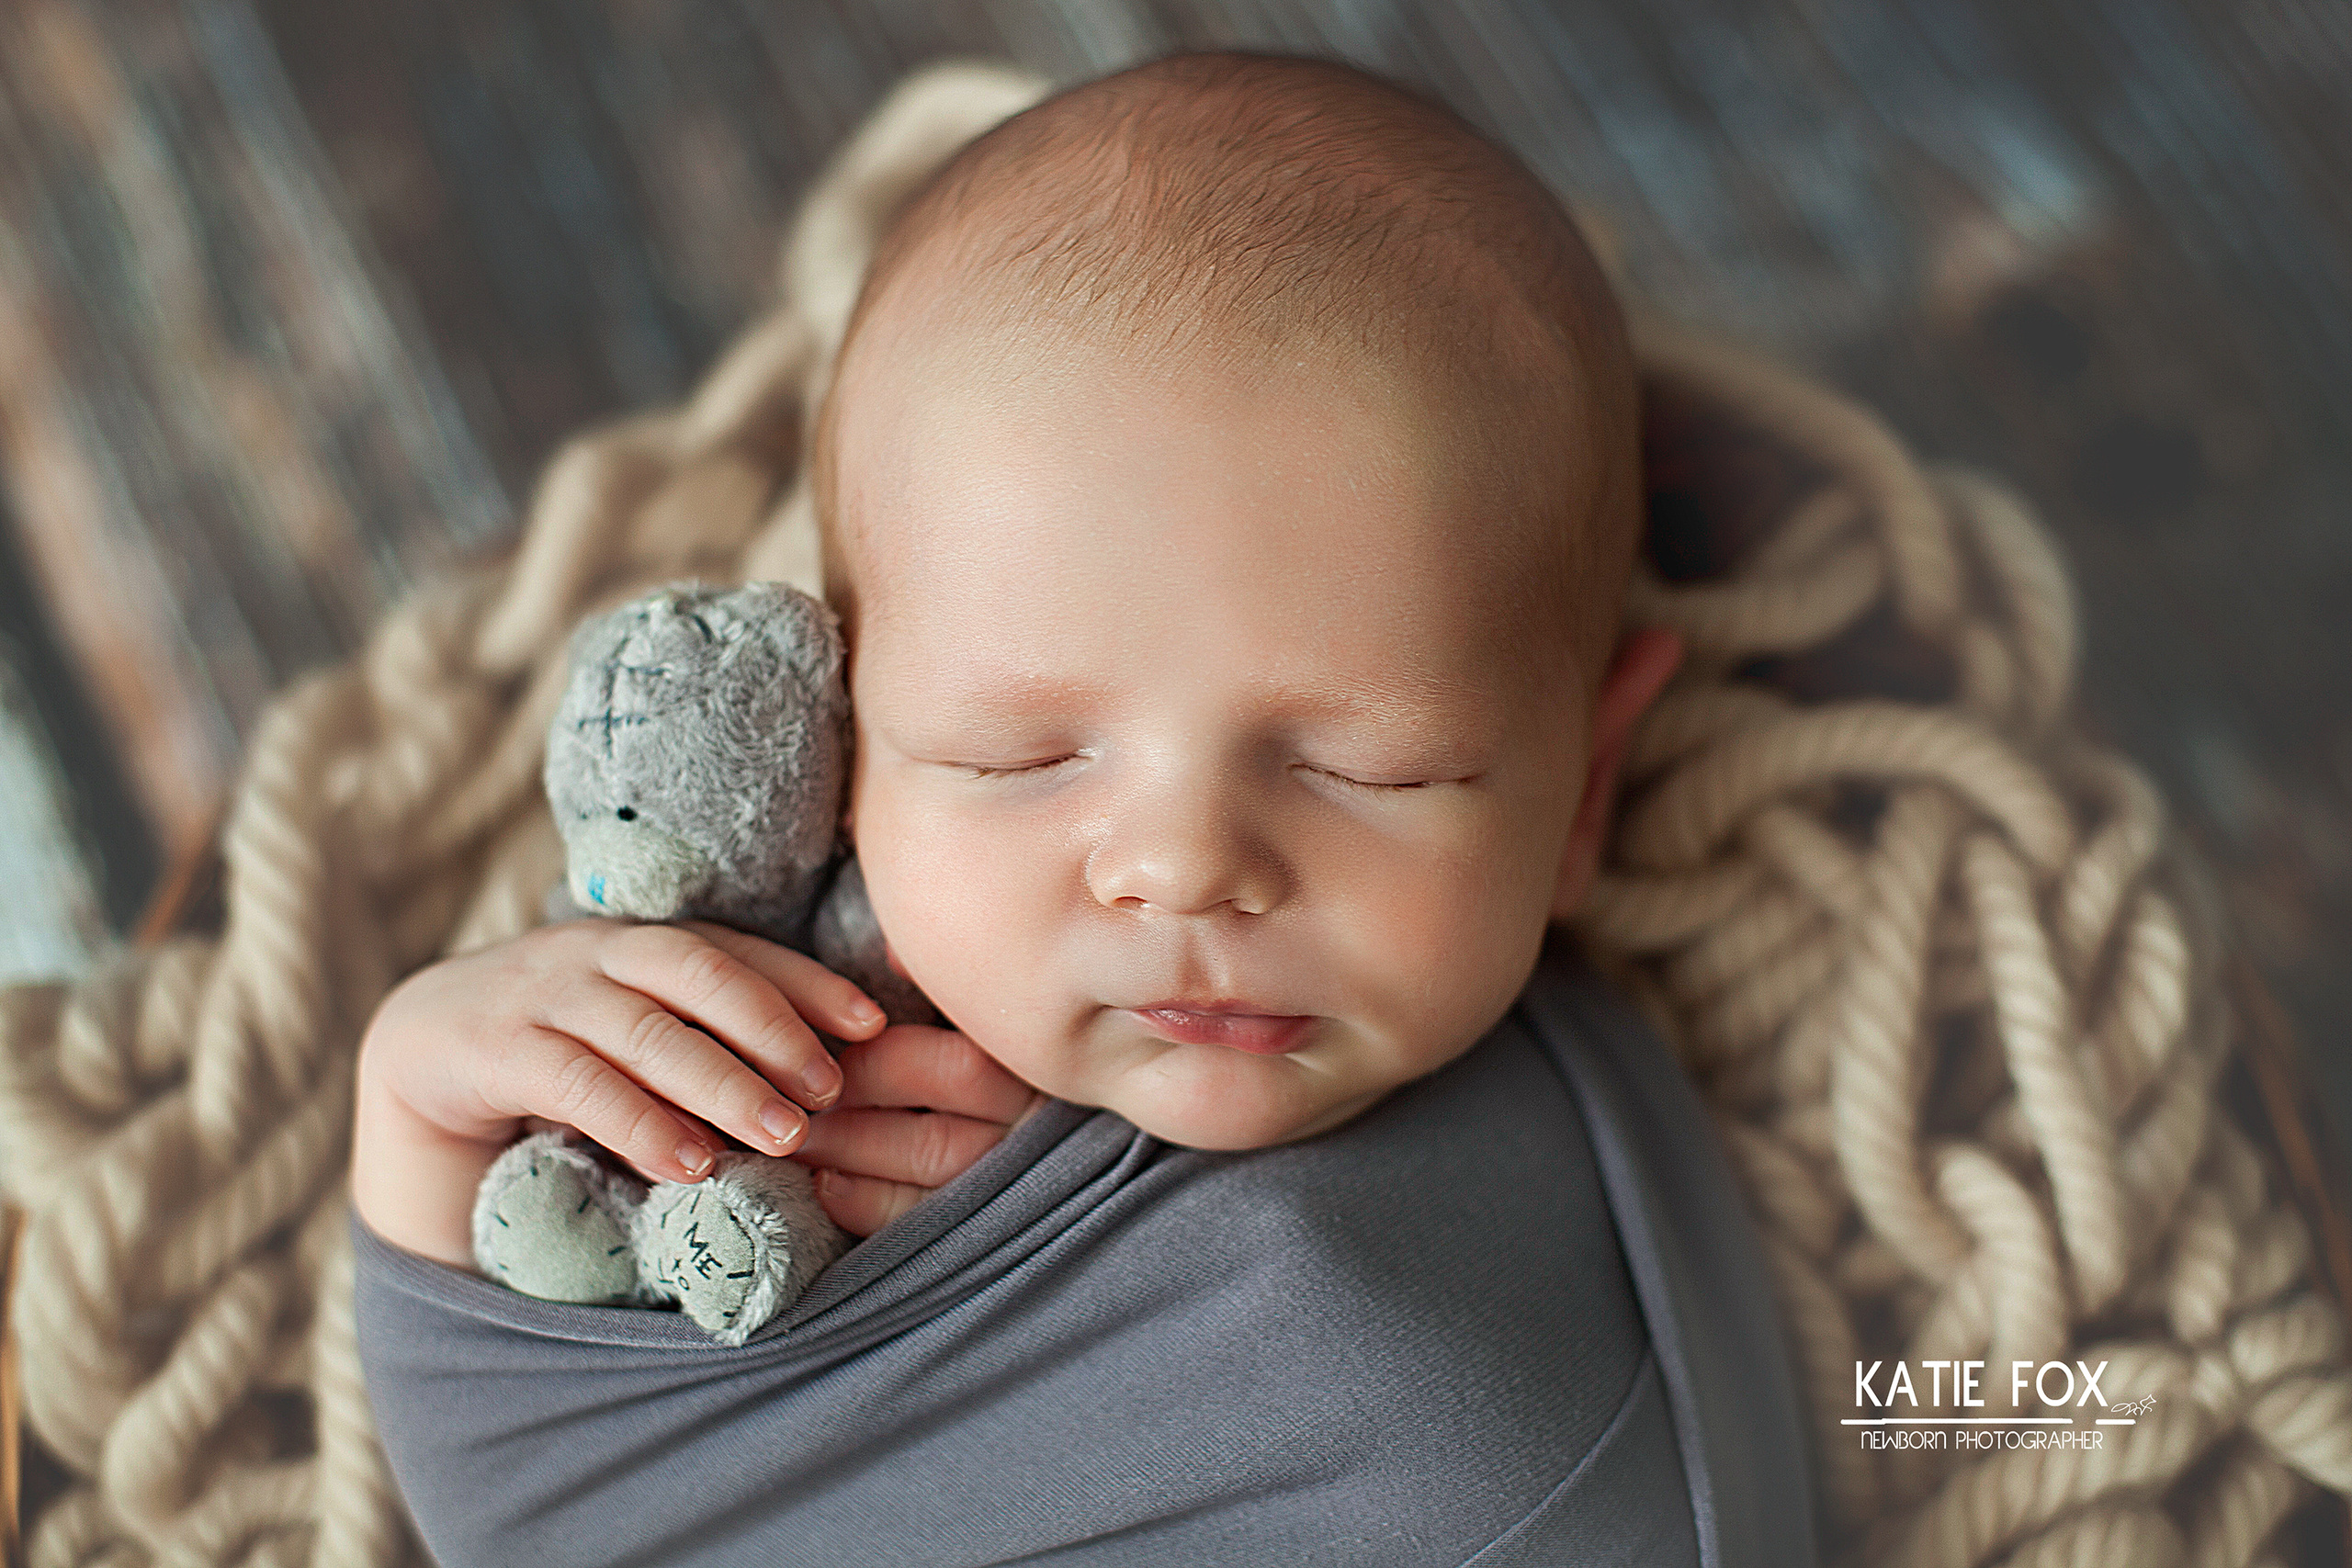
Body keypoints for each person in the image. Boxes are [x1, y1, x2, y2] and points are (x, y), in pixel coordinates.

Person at [351, 51, 1815, 1566]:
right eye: (1018, 759)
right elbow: (568, 1514)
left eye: (1367, 769)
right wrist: (428, 1119)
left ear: (1585, 787)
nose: (1183, 870)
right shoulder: (778, 1104)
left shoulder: (1545, 1305)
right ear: (844, 747)